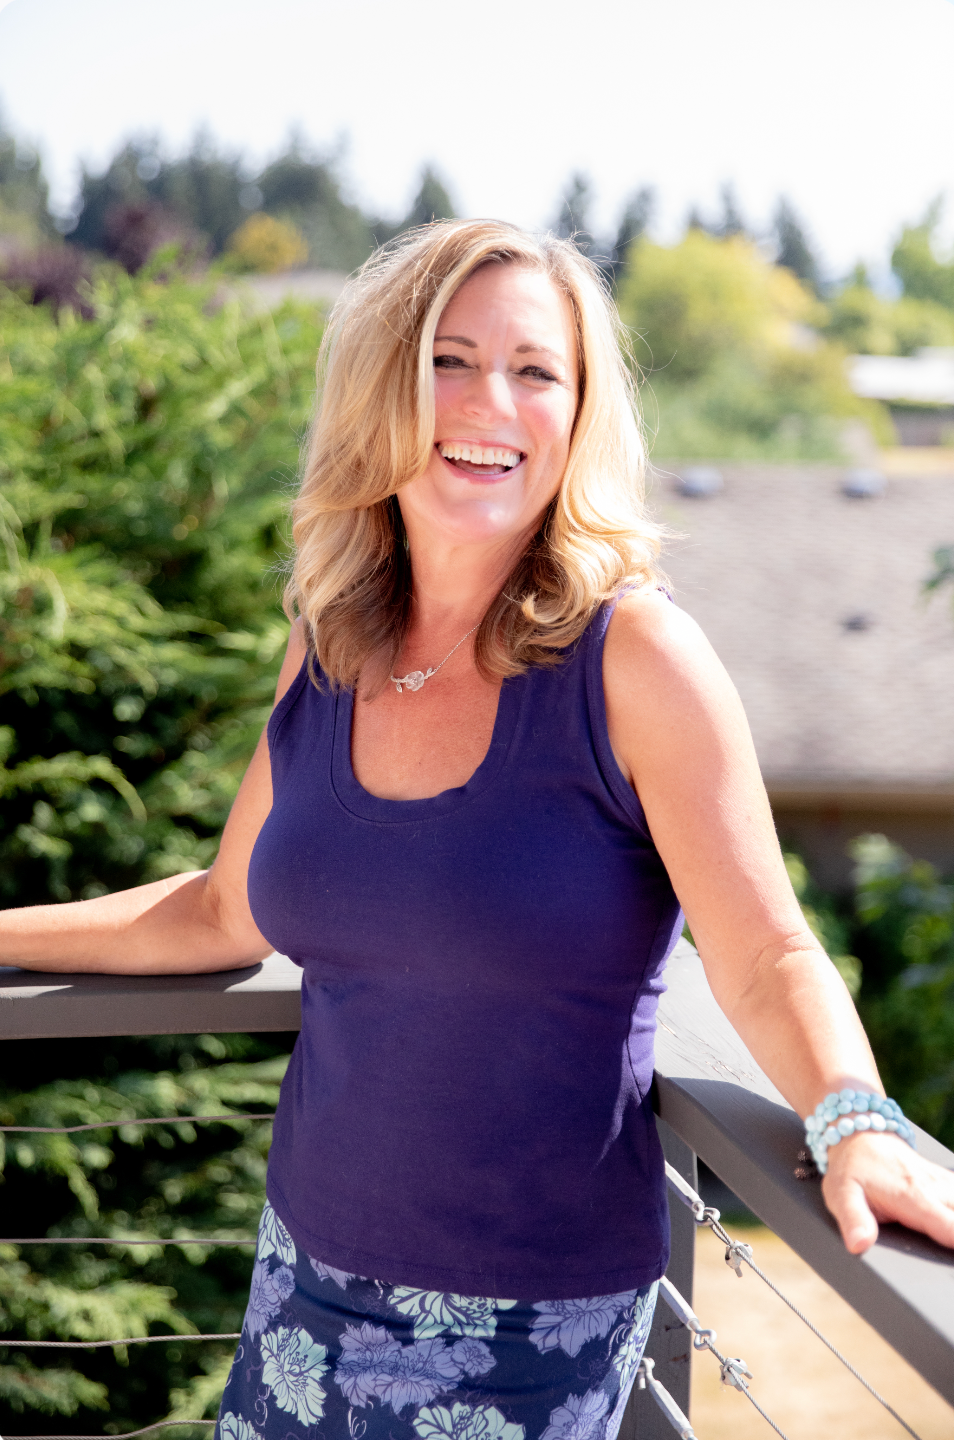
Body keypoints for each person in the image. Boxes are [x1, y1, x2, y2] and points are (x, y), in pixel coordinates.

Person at [3, 219, 953, 1440]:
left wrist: (854, 1120)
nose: (489, 402)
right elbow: (218, 912)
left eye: (535, 370)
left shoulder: (637, 659)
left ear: (578, 412)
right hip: (301, 1286)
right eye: (448, 360)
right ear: (380, 389)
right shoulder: (333, 642)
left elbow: (768, 952)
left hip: (530, 1335)